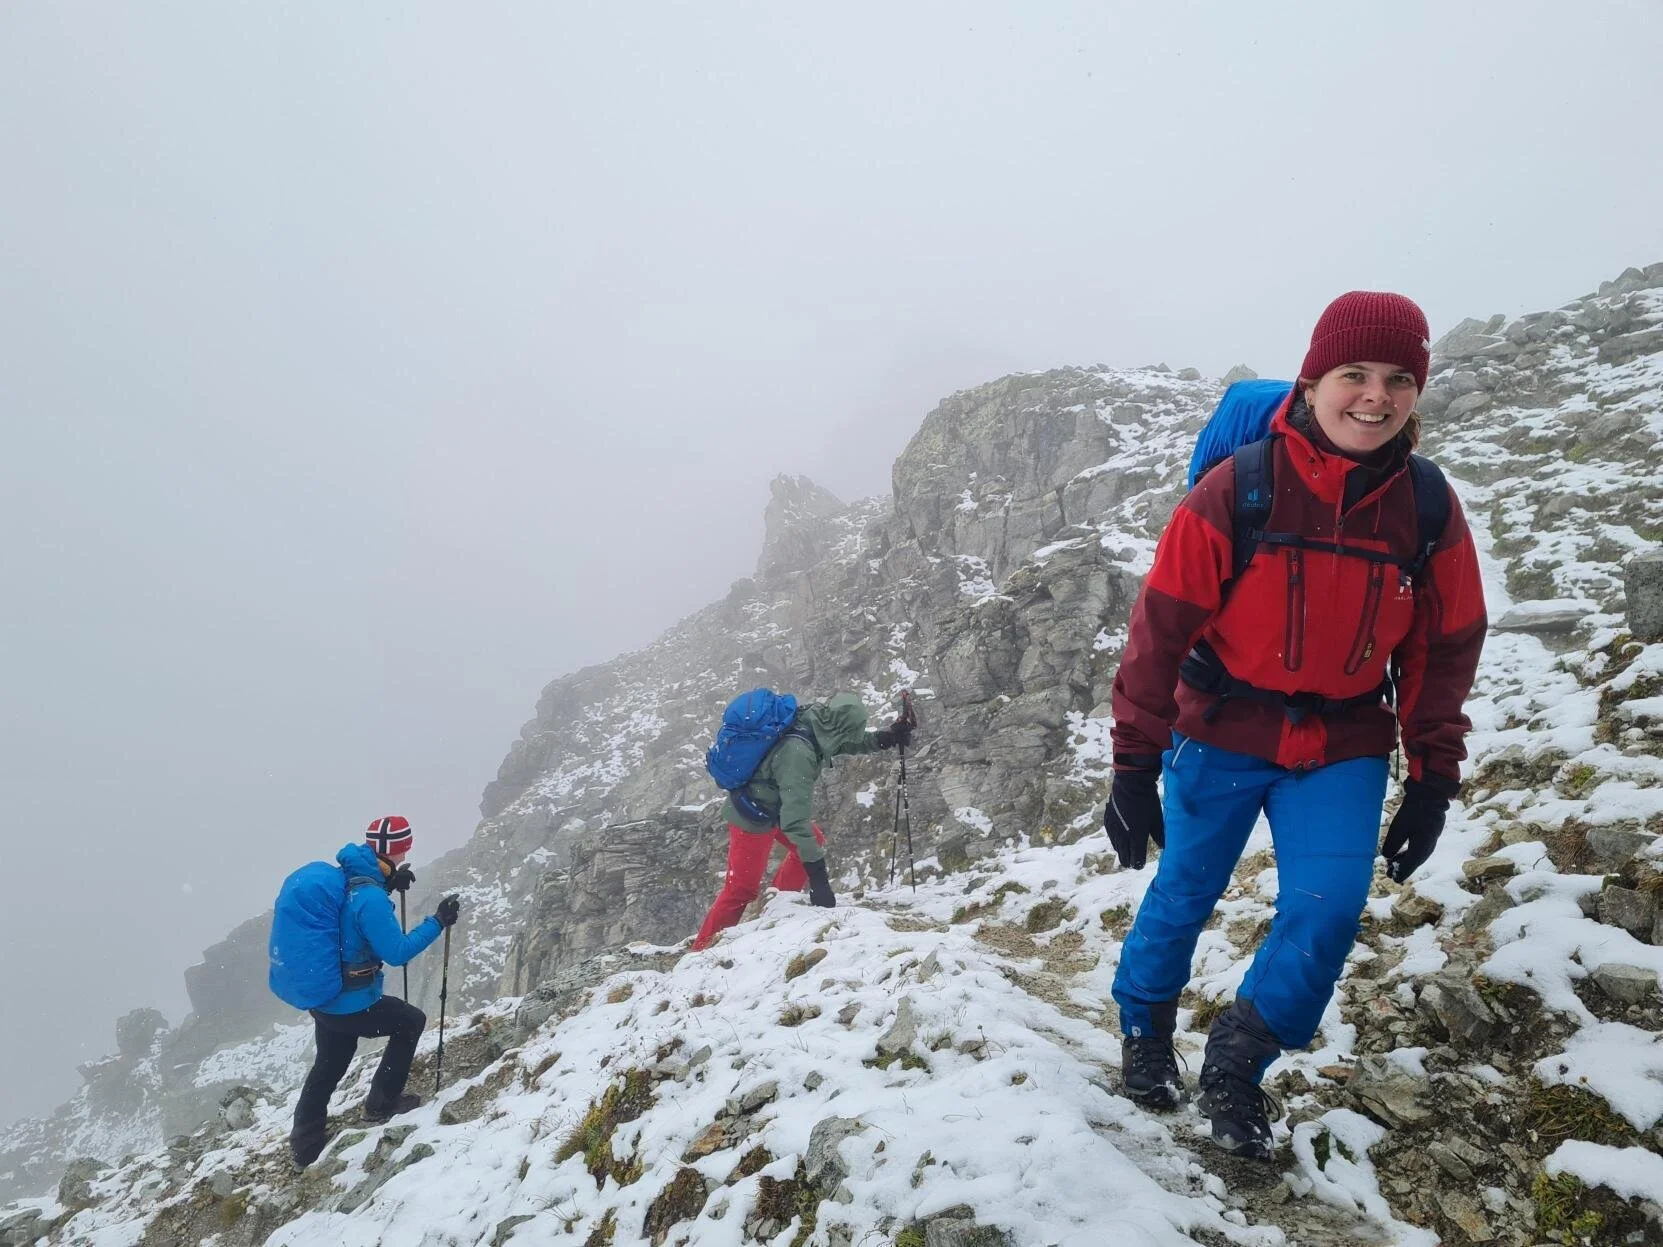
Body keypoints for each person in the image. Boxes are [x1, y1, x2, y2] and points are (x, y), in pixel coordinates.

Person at [1104, 292, 1486, 1159]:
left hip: (1341, 743)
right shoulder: (1238, 487)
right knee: (1186, 888)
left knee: (1326, 908)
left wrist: (1432, 776)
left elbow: (1444, 644)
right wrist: (1133, 761)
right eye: (1354, 374)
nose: (1375, 397)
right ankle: (1144, 1027)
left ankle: (1238, 1062)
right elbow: (1158, 629)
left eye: (1398, 380)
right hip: (1221, 726)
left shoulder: (1424, 507)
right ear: (1313, 381)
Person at [289, 815, 460, 1169]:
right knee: (410, 1021)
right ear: (398, 849)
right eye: (404, 848)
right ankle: (381, 1105)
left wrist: (387, 882)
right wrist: (437, 922)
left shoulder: (347, 877)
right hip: (352, 1001)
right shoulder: (369, 897)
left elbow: (351, 919)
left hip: (325, 998)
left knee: (328, 1064)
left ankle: (305, 1145)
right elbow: (396, 952)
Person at [692, 693, 912, 950]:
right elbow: (795, 820)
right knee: (741, 889)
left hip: (772, 806)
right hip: (752, 815)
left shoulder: (817, 720)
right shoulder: (798, 755)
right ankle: (701, 951)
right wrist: (818, 877)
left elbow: (842, 741)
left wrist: (884, 738)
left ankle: (777, 905)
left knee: (813, 840)